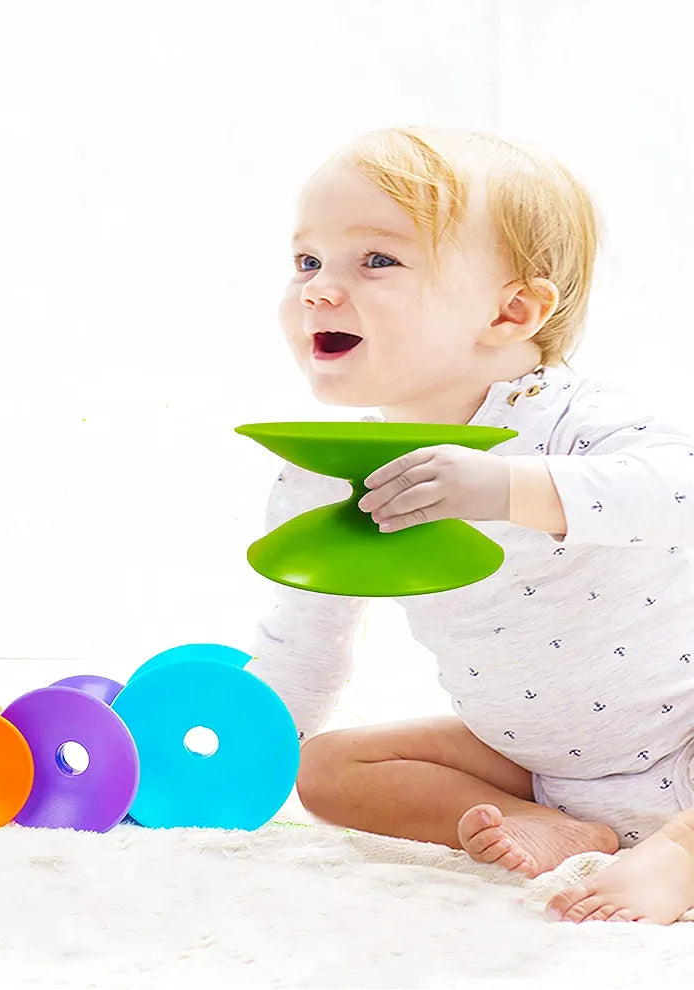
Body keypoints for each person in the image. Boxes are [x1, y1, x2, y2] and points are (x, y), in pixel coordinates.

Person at [243, 125, 694, 925]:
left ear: (512, 310)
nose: (316, 288)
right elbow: (305, 642)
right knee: (327, 769)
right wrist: (231, 750)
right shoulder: (328, 472)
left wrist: (506, 487)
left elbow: (677, 489)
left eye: (375, 260)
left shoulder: (574, 421)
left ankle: (681, 857)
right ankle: (554, 829)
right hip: (534, 762)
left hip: (683, 730)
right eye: (307, 261)